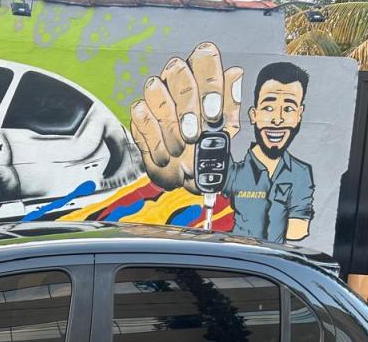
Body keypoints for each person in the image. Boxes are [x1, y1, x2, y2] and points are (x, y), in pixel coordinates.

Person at [130, 42, 314, 243]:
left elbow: (298, 230)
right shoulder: (234, 169)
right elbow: (201, 180)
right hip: (235, 258)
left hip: (268, 262)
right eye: (268, 108)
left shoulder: (301, 172)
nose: (277, 119)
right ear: (253, 114)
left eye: (288, 109)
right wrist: (187, 160)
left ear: (300, 114)